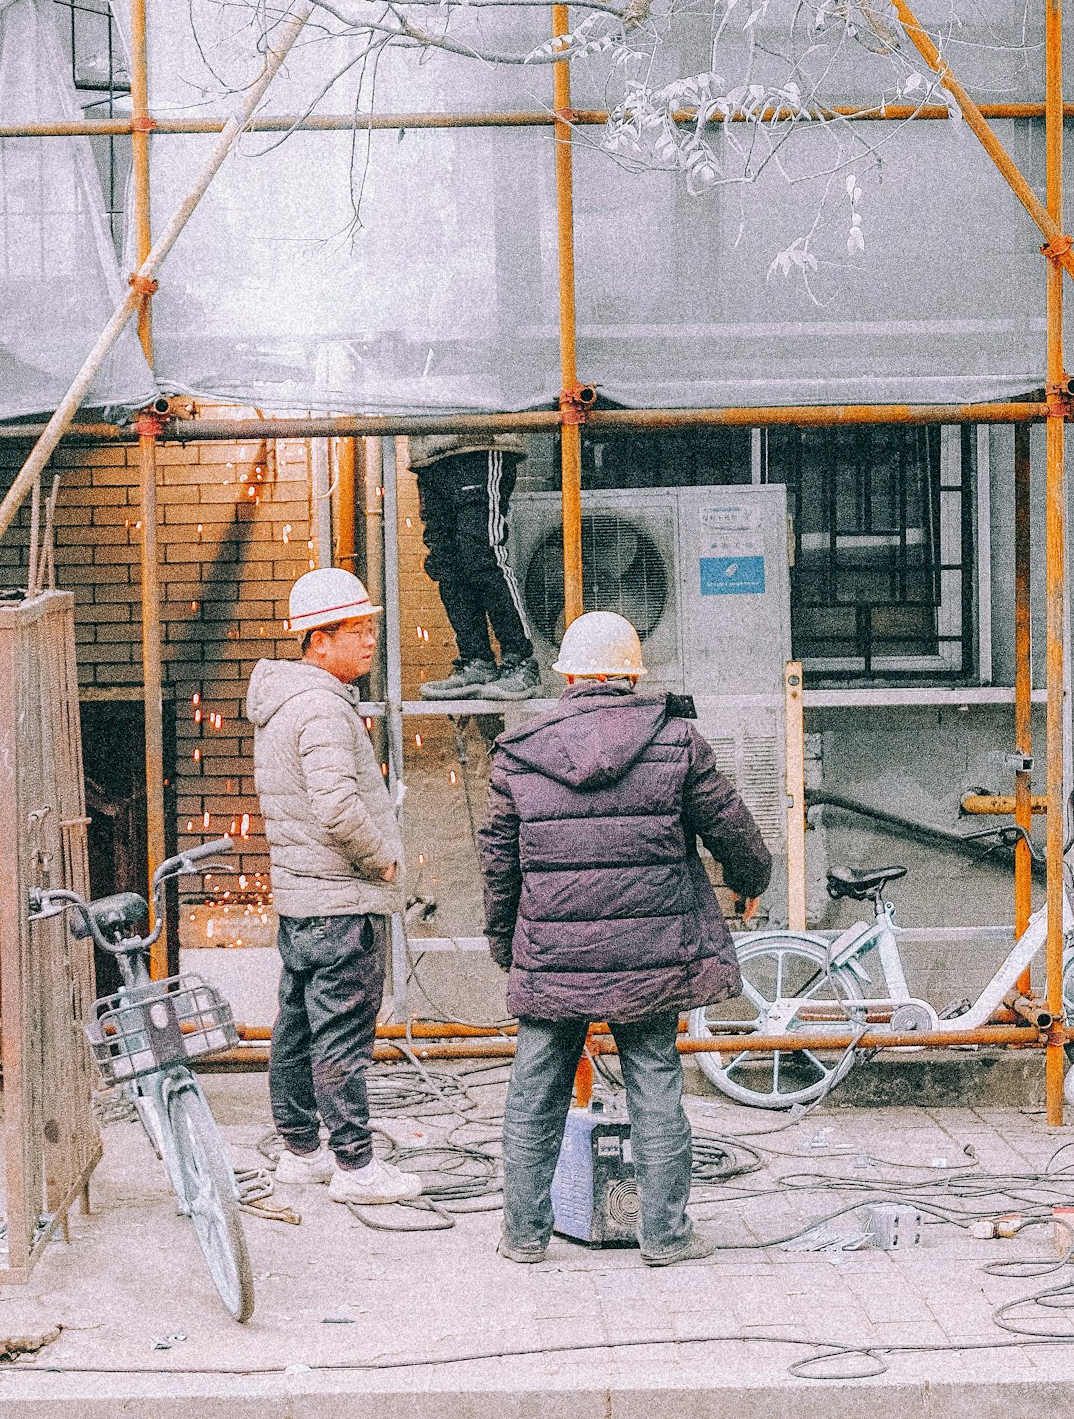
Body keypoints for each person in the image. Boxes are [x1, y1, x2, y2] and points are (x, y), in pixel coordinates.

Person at [479, 608, 773, 1265]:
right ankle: (665, 1236)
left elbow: (498, 865)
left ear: (569, 677)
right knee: (656, 1084)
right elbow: (733, 830)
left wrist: (507, 945)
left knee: (533, 1094)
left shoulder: (519, 753)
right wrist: (750, 881)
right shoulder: (675, 739)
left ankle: (523, 1236)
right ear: (632, 674)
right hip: (652, 952)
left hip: (554, 954)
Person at [245, 567, 421, 1206]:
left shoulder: (284, 703)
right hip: (342, 903)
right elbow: (338, 808)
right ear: (318, 641)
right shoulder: (321, 707)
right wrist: (384, 862)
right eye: (356, 631)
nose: (370, 641)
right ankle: (356, 1166)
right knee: (343, 1036)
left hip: (302, 902)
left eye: (370, 628)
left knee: (295, 1030)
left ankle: (300, 1151)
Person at [408, 428, 542, 701]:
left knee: (482, 555)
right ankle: (476, 660)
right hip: (430, 454)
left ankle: (521, 661)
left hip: (479, 441)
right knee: (446, 562)